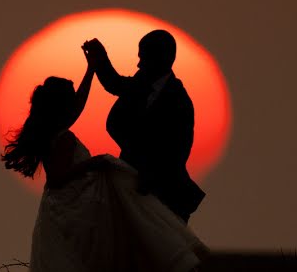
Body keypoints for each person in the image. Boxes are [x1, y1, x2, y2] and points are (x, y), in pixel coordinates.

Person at [0, 41, 208, 272]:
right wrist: (94, 165)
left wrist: (90, 68)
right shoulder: (61, 137)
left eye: (146, 55)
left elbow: (81, 104)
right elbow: (57, 177)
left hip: (108, 201)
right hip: (67, 213)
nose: (140, 61)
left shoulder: (175, 101)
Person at [83, 31, 205, 223]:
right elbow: (115, 83)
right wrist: (100, 59)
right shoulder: (141, 81)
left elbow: (180, 150)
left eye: (144, 58)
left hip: (162, 193)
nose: (139, 64)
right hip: (130, 182)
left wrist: (151, 175)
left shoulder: (179, 101)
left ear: (162, 59)